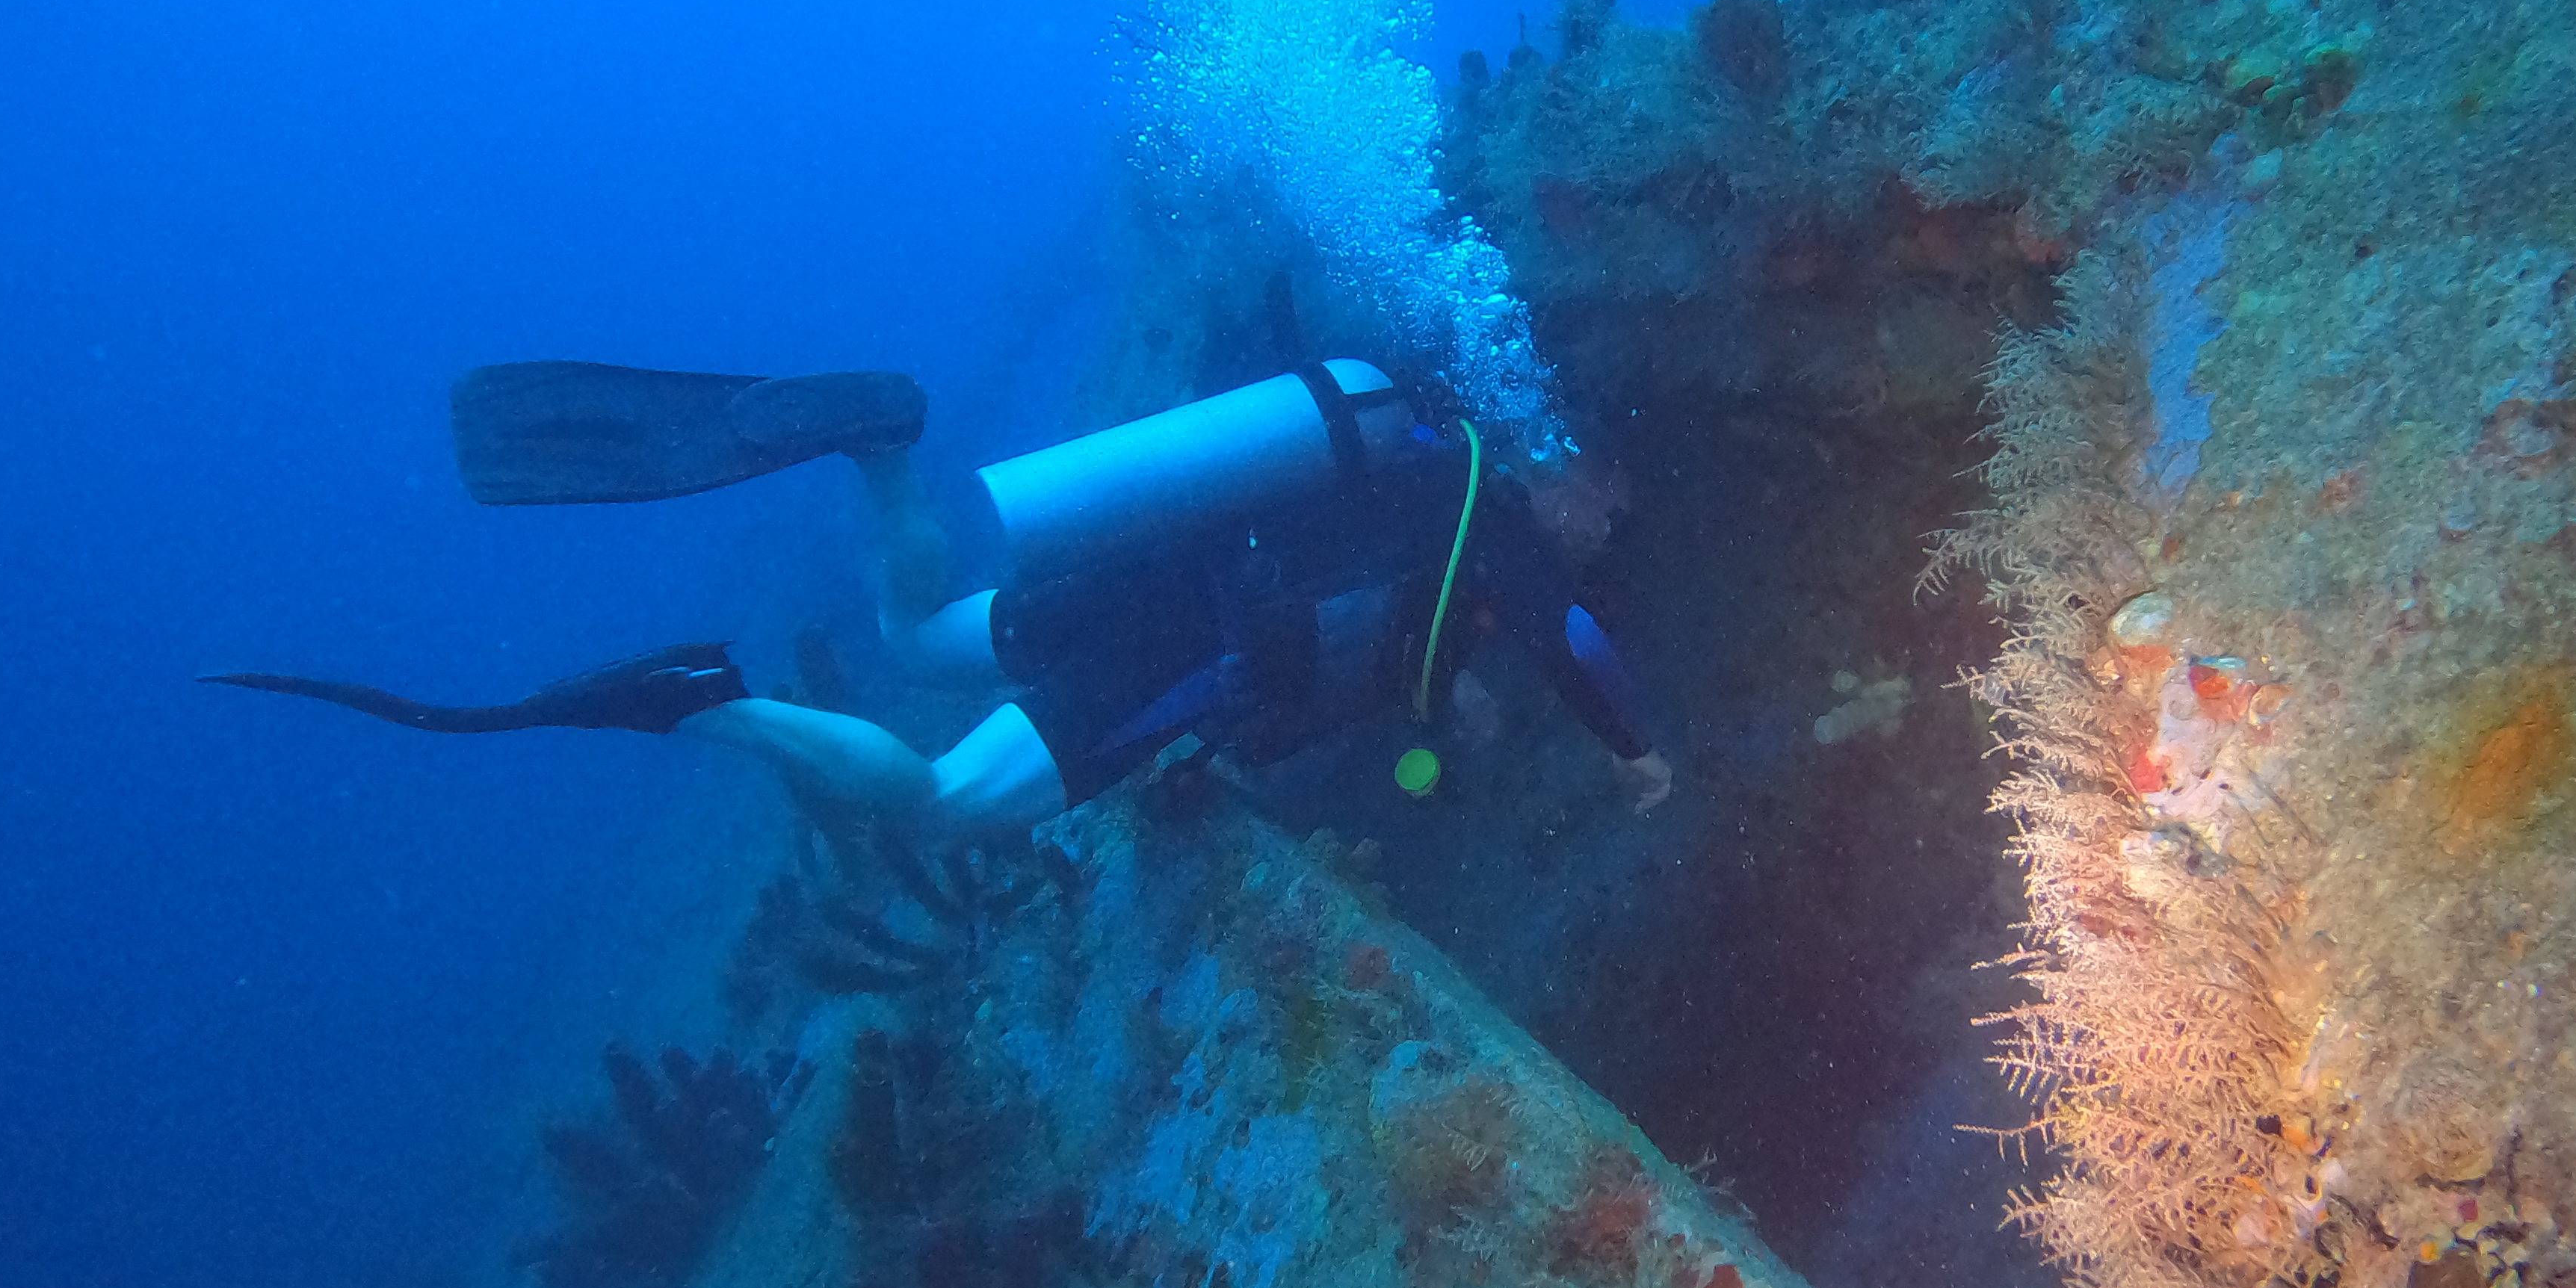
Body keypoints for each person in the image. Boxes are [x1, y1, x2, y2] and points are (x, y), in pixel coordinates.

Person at [210, 356, 1672, 846]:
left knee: (916, 646)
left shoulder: (1418, 441)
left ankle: (884, 454)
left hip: (1137, 574)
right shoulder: (1515, 540)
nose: (1605, 532)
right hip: (1180, 651)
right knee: (940, 807)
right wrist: (1642, 757)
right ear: (1570, 467)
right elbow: (1578, 638)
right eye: (1610, 500)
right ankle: (703, 703)